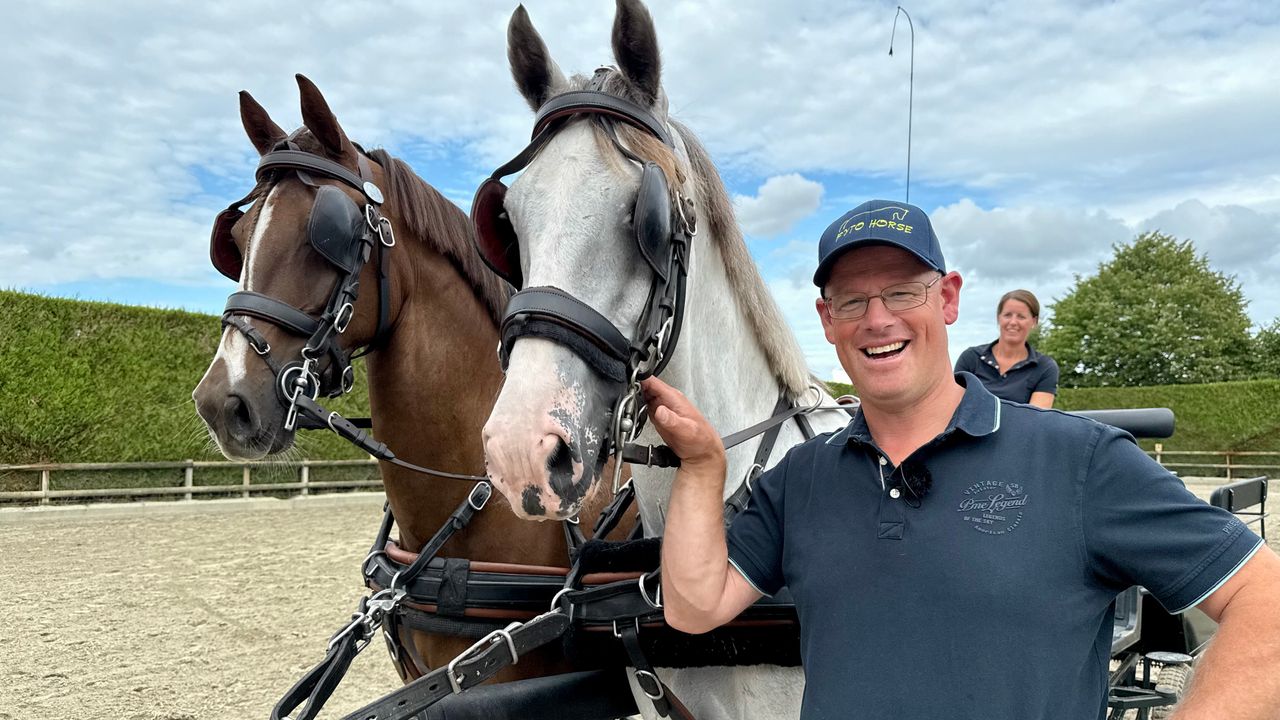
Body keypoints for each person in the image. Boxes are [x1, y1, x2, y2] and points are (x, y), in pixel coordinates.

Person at [643, 199, 1280, 720]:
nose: (878, 319)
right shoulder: (802, 479)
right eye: (852, 302)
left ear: (947, 299)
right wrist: (702, 470)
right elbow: (693, 607)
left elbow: (1267, 601)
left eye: (902, 292)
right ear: (826, 320)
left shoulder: (1079, 462)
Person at [954, 289, 1059, 407]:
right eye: (1007, 315)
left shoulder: (1044, 367)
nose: (1013, 322)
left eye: (1021, 316)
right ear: (999, 318)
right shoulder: (971, 358)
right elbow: (953, 405)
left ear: (1034, 321)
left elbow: (1036, 419)